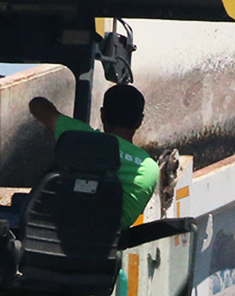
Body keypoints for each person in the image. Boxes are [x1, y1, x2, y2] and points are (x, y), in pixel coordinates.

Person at [28, 84, 159, 228]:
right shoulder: (149, 168)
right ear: (139, 121)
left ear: (102, 115)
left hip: (50, 234)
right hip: (101, 246)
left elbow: (36, 105)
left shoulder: (79, 135)